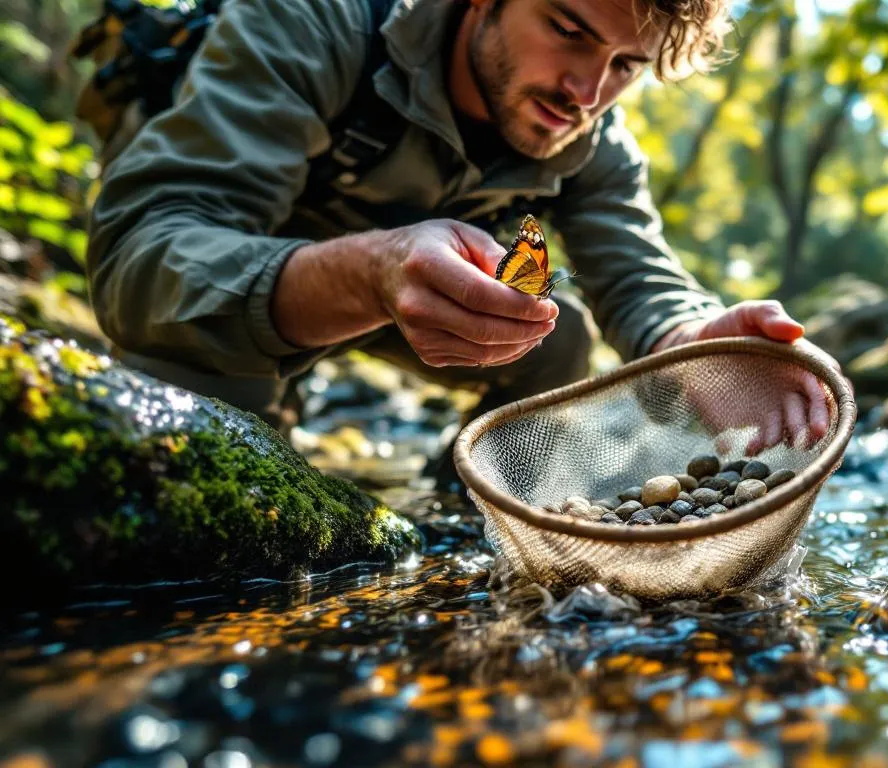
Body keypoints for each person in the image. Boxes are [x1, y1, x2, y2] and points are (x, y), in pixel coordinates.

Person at [84, 0, 839, 478]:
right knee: (216, 477)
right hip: (250, 298)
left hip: (412, 307)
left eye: (626, 65)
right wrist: (368, 273)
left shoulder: (595, 139)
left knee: (558, 343)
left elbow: (641, 280)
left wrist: (702, 341)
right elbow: (139, 264)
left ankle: (464, 514)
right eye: (568, 29)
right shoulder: (315, 19)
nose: (587, 91)